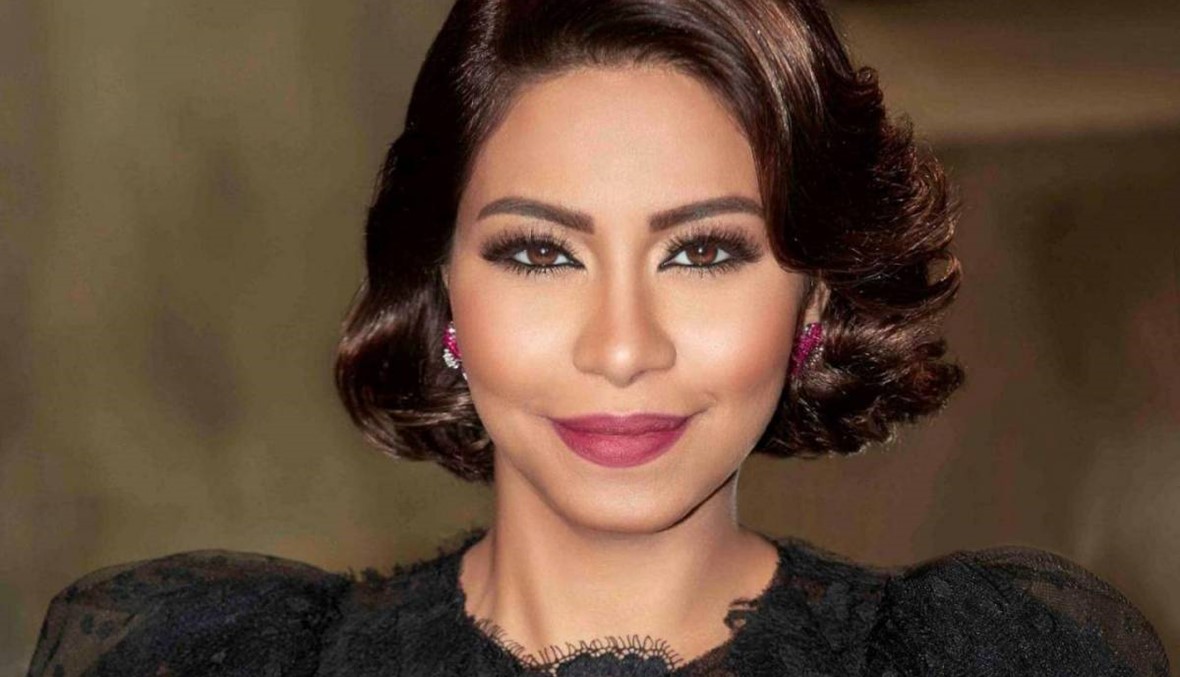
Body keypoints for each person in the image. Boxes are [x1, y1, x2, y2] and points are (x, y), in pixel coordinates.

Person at [26, 0, 1171, 675]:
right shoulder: (211, 656)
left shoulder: (989, 656)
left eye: (703, 251)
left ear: (815, 299)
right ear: (442, 292)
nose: (621, 348)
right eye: (540, 253)